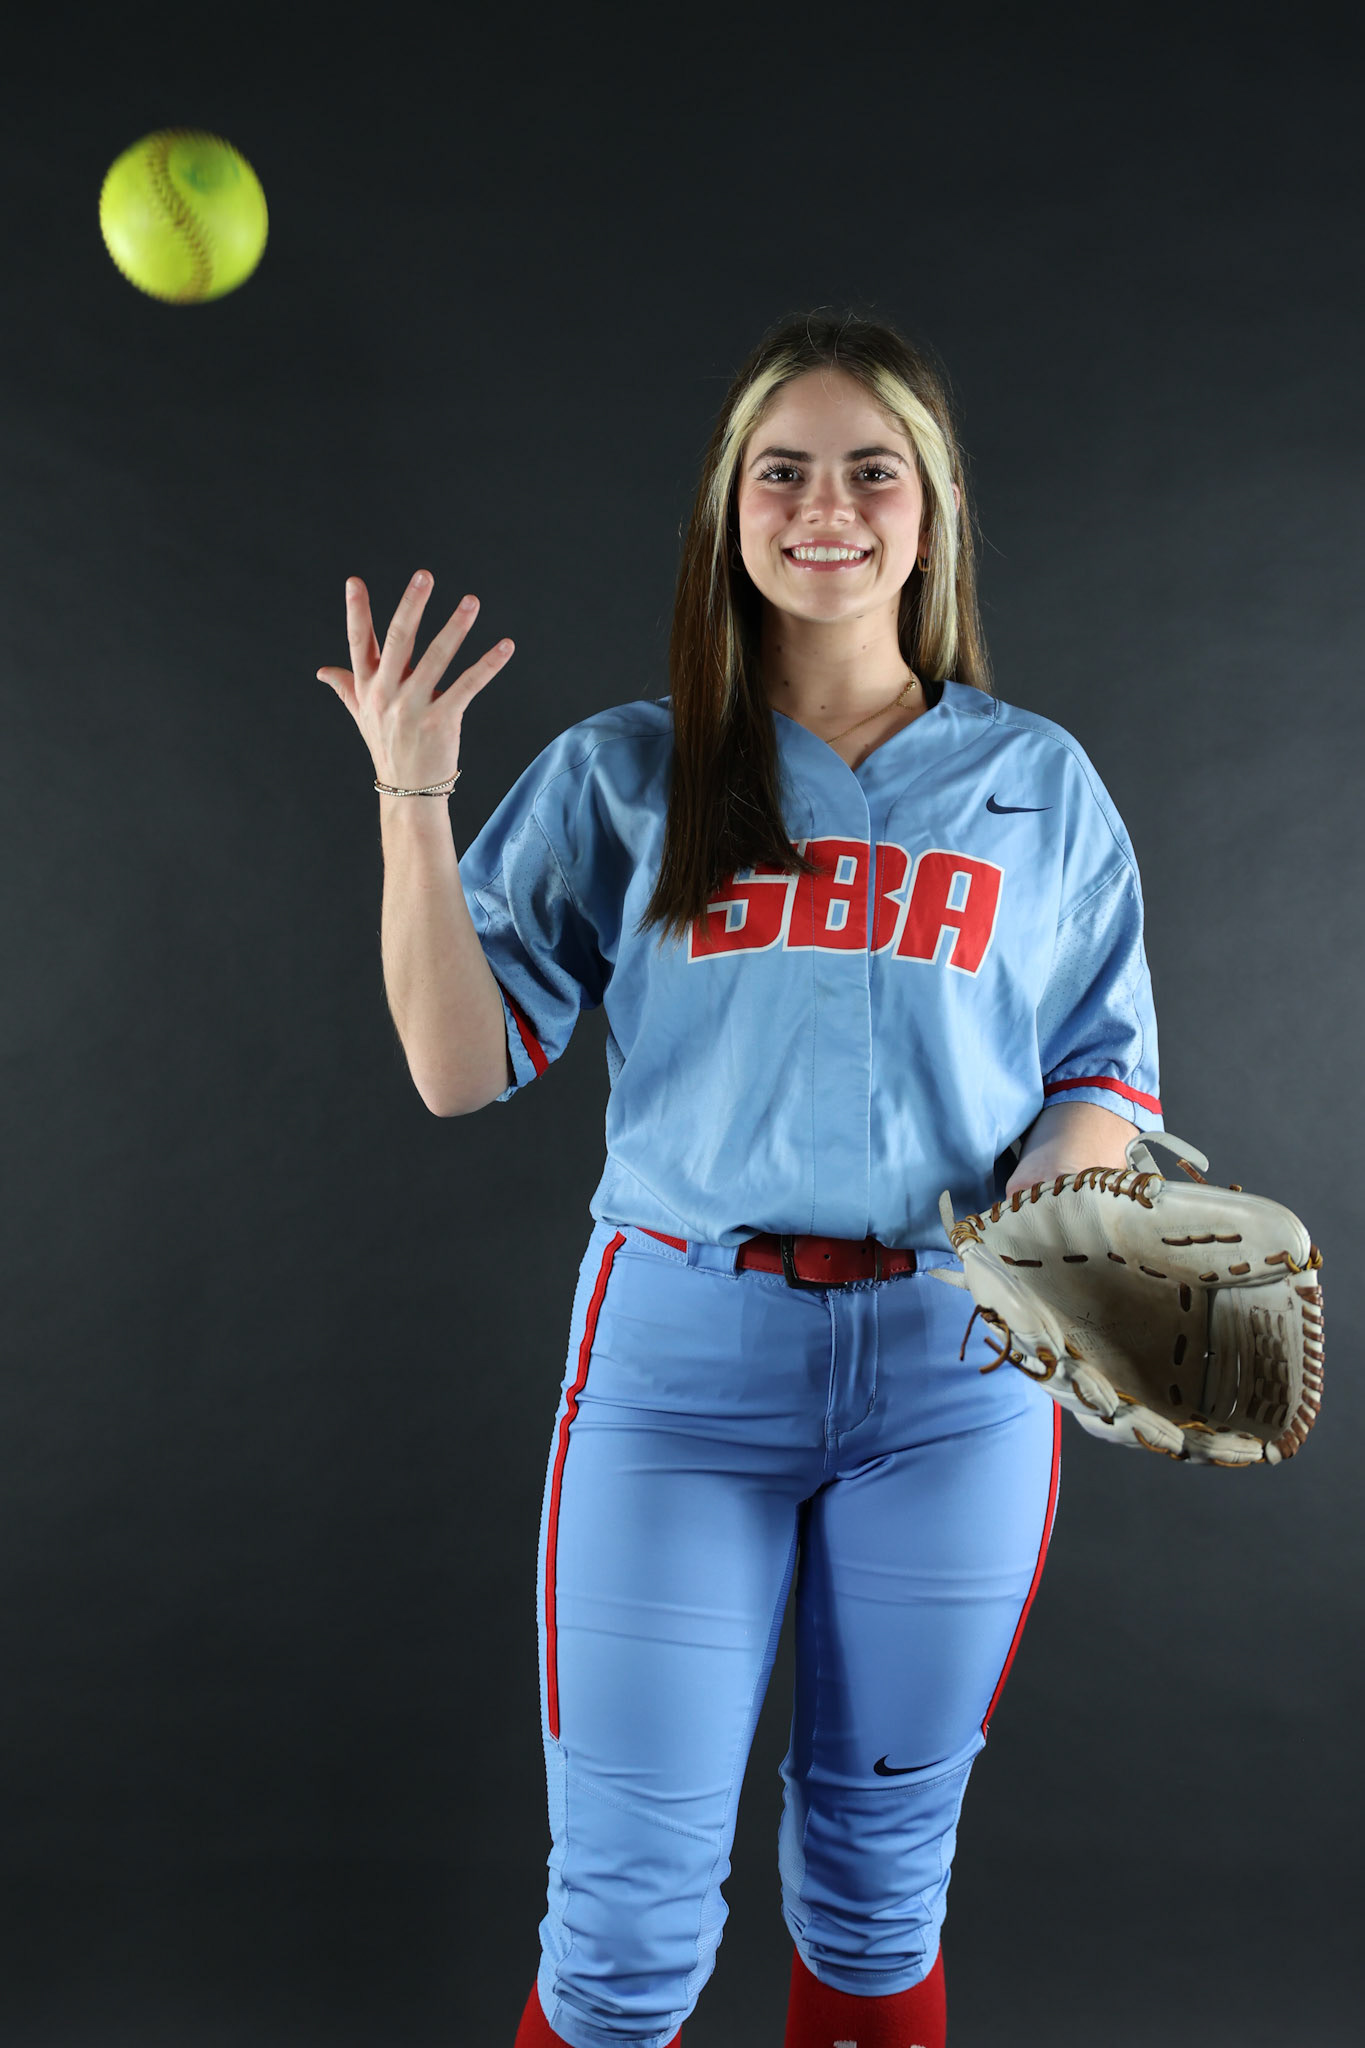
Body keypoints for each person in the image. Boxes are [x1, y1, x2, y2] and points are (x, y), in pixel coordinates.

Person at [317, 308, 1163, 2048]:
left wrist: (1049, 1226)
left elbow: (1099, 1076)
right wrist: (414, 796)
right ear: (729, 513)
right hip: (679, 1373)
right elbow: (455, 1066)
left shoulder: (1035, 784)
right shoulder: (632, 771)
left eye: (873, 469)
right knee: (624, 1930)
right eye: (781, 470)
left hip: (951, 1372)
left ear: (928, 515)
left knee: (874, 1894)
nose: (826, 505)